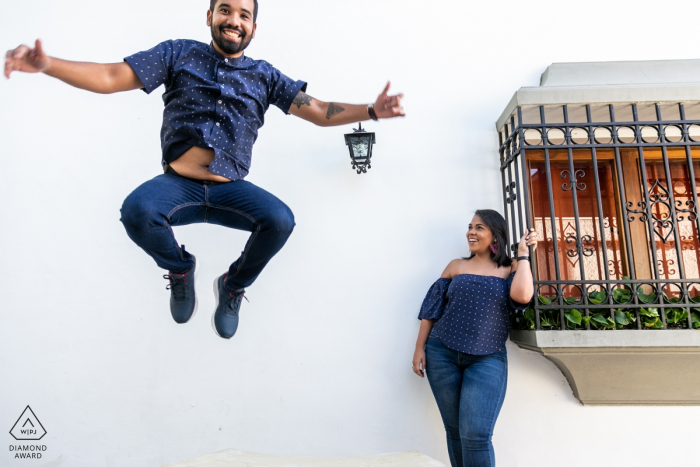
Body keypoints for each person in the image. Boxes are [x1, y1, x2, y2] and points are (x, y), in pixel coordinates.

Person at [4, 0, 405, 339]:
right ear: (209, 15)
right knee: (137, 211)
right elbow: (111, 76)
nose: (234, 20)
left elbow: (317, 110)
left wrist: (370, 110)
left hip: (231, 192)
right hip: (178, 189)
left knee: (280, 220)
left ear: (253, 26)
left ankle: (233, 286)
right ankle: (180, 271)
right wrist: (48, 64)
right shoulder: (178, 53)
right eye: (225, 10)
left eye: (244, 15)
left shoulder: (264, 75)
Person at [412, 209, 537, 467]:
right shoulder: (456, 266)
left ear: (495, 234)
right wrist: (419, 349)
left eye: (479, 227)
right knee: (455, 432)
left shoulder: (510, 267)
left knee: (477, 435)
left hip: (487, 358)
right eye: (470, 226)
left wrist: (523, 255)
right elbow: (431, 309)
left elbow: (523, 297)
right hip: (441, 353)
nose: (471, 231)